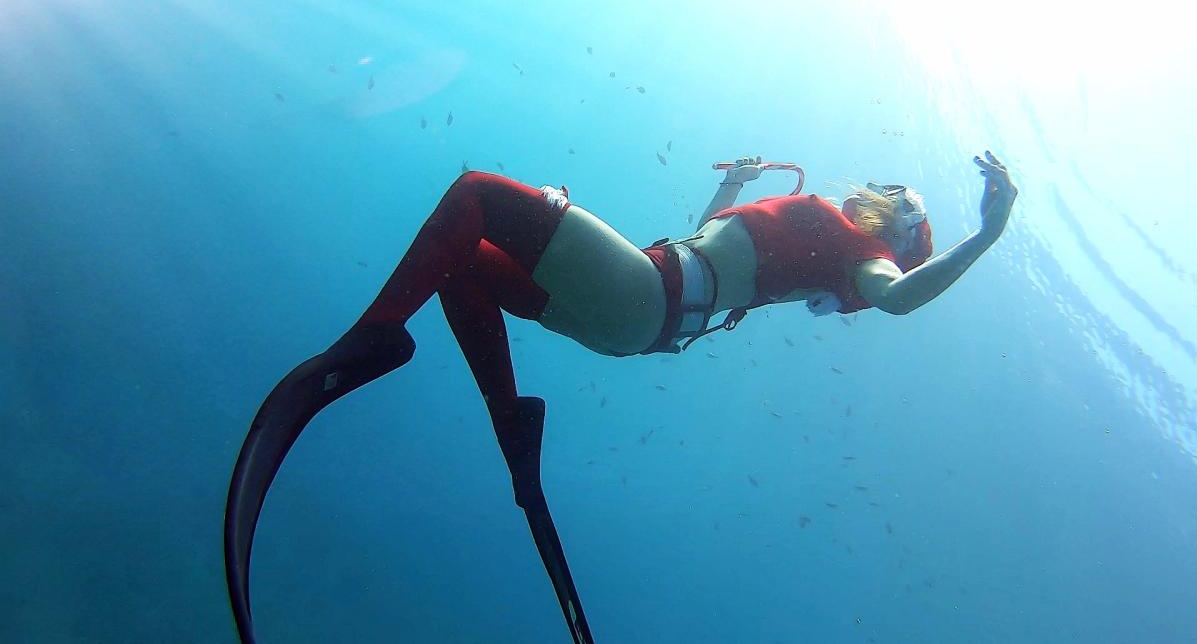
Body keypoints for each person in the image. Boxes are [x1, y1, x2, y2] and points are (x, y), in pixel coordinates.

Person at [224, 151, 1018, 643]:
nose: (883, 195)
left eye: (900, 204)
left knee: (477, 194)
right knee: (464, 258)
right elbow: (714, 248)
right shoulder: (827, 245)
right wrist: (734, 186)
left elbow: (896, 298)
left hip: (646, 299)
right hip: (639, 313)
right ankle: (511, 427)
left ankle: (373, 337)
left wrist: (987, 234)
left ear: (900, 230)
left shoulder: (863, 252)